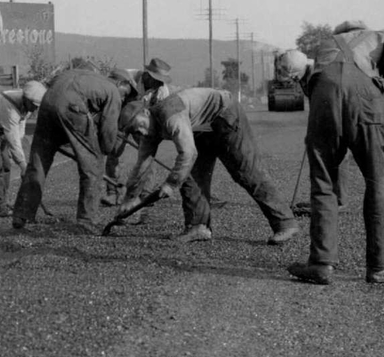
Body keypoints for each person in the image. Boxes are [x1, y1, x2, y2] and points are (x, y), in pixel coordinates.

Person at [280, 20, 384, 285]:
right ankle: (381, 265)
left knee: (323, 182)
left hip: (324, 100)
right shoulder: (378, 34)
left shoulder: (326, 45)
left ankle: (321, 263)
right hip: (366, 103)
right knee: (378, 182)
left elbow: (313, 84)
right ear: (359, 29)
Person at [117, 87, 299, 244]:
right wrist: (130, 197)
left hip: (225, 114)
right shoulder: (149, 131)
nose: (139, 132)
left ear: (146, 113)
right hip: (202, 127)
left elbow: (188, 153)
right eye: (133, 131)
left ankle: (285, 223)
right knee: (191, 175)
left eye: (138, 125)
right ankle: (198, 226)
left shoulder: (170, 113)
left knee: (246, 172)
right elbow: (143, 163)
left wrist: (171, 183)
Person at [10, 67, 135, 233]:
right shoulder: (112, 91)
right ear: (121, 82)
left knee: (38, 163)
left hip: (47, 104)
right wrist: (105, 149)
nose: (123, 97)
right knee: (93, 167)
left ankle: (22, 214)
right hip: (72, 106)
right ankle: (86, 220)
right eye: (125, 93)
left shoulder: (88, 76)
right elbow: (108, 132)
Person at [101, 59, 173, 206]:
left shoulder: (162, 91)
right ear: (147, 75)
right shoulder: (127, 77)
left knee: (147, 153)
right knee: (114, 152)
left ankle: (145, 194)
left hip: (143, 121)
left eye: (161, 81)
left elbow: (159, 116)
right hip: (121, 117)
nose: (159, 84)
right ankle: (113, 193)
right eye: (156, 80)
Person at [0, 80, 47, 217]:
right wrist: (23, 164)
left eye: (38, 106)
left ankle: (3, 202)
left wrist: (16, 154)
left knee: (6, 163)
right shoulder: (10, 108)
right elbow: (12, 136)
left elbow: (20, 127)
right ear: (26, 99)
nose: (35, 109)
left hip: (0, 126)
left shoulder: (27, 105)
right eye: (34, 105)